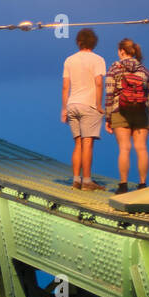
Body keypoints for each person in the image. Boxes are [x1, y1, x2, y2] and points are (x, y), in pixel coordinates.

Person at [104, 38, 149, 193]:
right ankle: (143, 184)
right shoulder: (145, 71)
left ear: (122, 51)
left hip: (120, 110)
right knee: (141, 148)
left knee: (124, 148)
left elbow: (109, 94)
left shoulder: (114, 68)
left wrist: (108, 118)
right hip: (141, 112)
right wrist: (148, 117)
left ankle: (123, 185)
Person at [61, 27, 107, 190]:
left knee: (78, 144)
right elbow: (99, 83)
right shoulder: (98, 60)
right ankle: (87, 181)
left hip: (72, 104)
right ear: (93, 43)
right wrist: (99, 105)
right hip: (89, 105)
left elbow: (65, 86)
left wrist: (64, 108)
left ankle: (76, 179)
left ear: (78, 42)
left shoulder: (69, 60)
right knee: (87, 143)